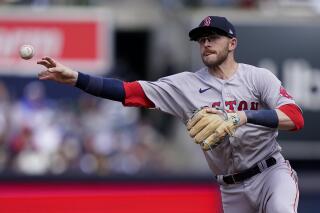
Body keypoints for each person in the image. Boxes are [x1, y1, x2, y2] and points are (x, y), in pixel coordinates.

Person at [37, 16, 304, 213]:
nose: (206, 44)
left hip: (270, 174)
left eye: (213, 38)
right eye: (202, 39)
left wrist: (241, 117)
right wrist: (75, 78)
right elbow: (128, 92)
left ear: (232, 43)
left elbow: (295, 117)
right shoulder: (184, 85)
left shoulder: (258, 78)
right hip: (231, 189)